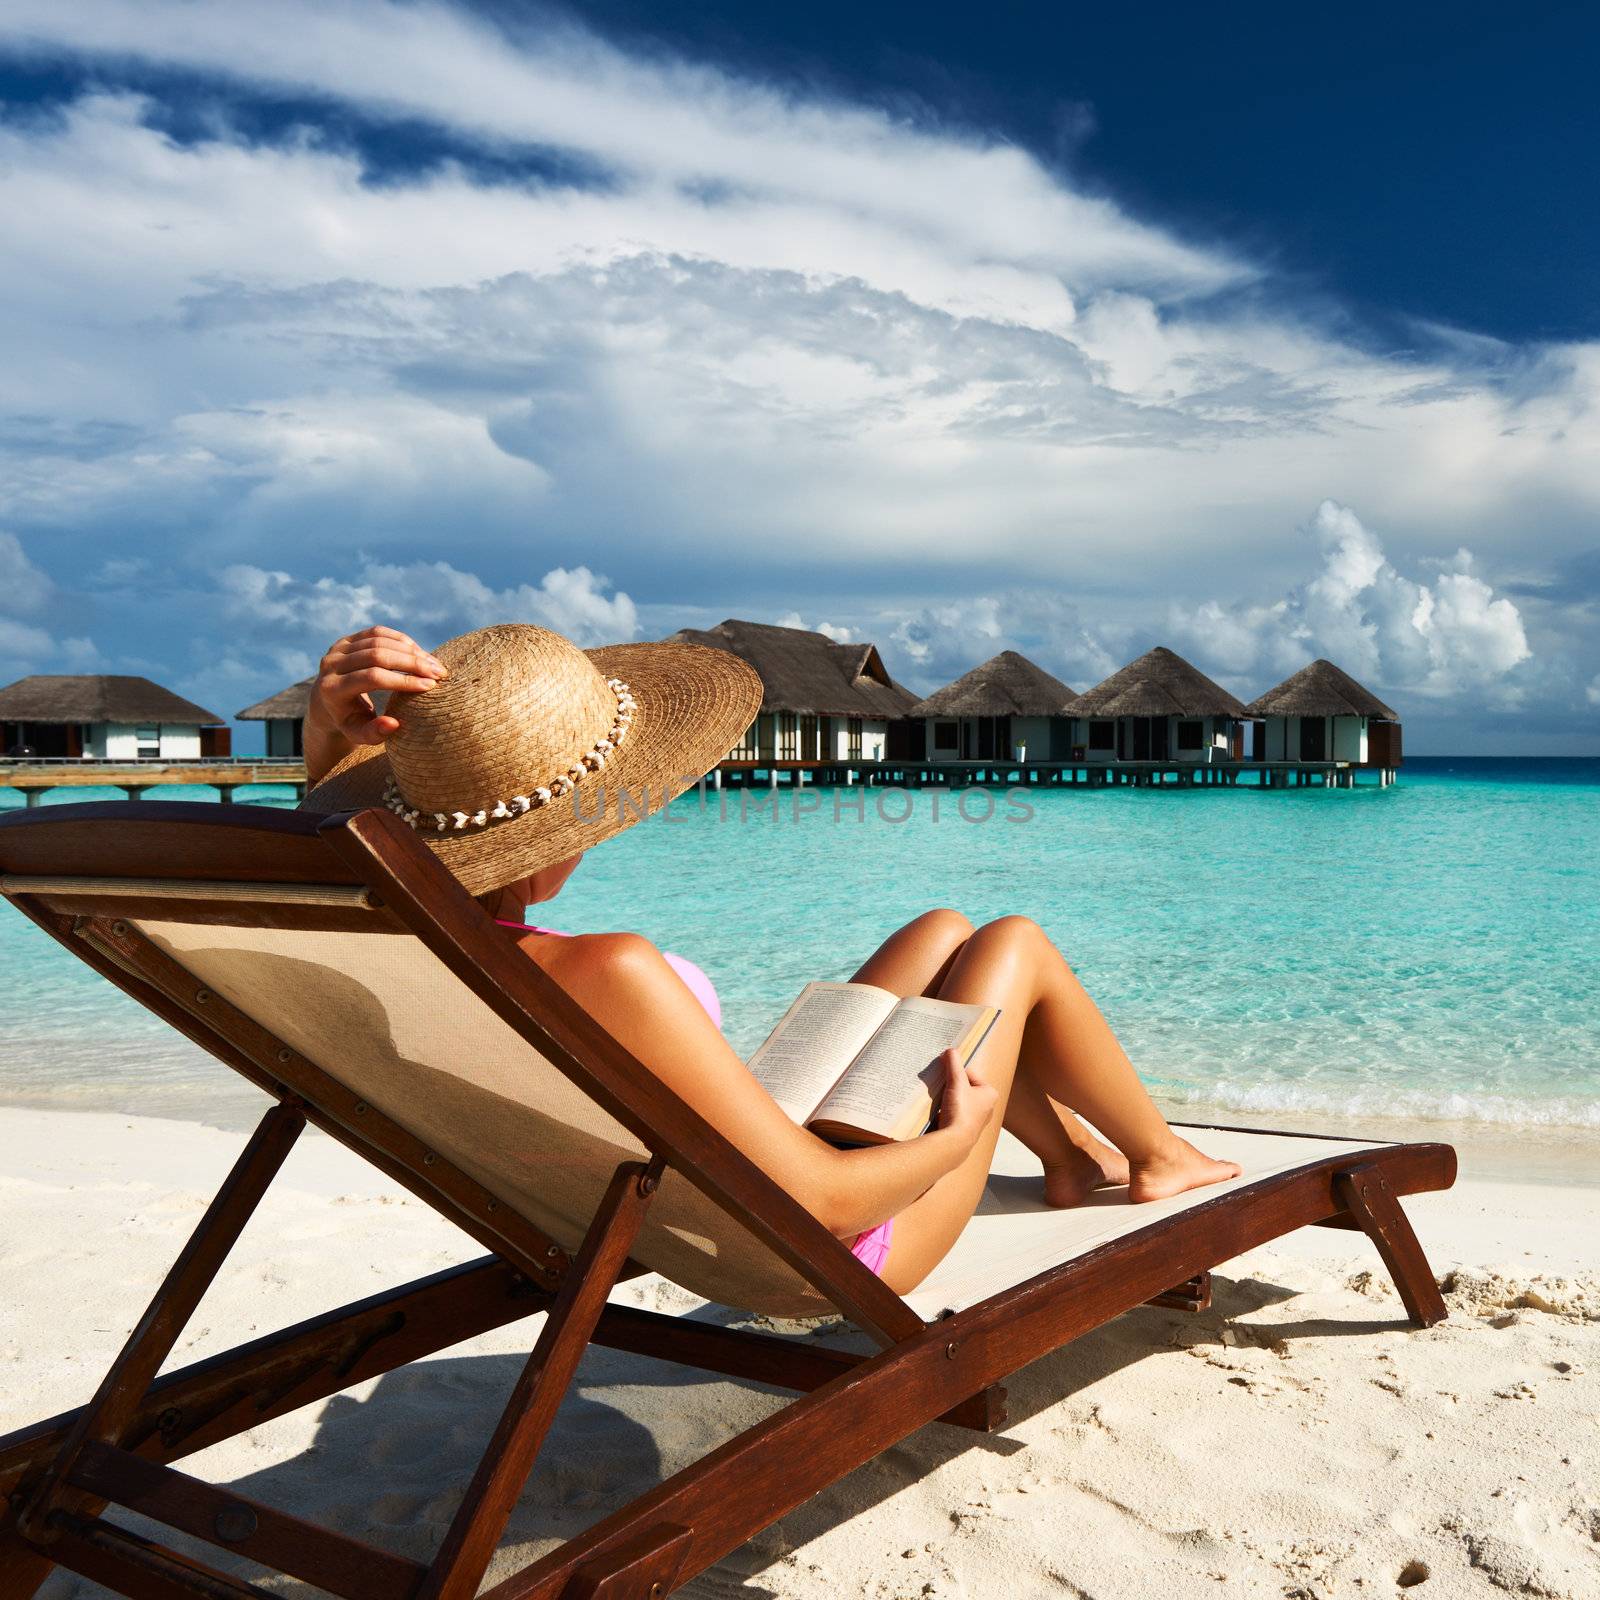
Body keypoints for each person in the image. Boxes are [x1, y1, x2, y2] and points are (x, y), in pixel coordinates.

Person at [302, 622, 1240, 1296]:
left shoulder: (399, 950)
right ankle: (1157, 1156)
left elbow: (322, 869)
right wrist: (959, 1136)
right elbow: (826, 1204)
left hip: (707, 1188)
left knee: (944, 930)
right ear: (551, 836)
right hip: (817, 1251)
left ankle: (1073, 1160)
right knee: (1012, 944)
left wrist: (326, 742)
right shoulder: (607, 970)